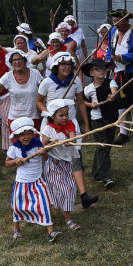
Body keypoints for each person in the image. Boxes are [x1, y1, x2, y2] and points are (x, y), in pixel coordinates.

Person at [36, 52, 98, 209]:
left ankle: (84, 195)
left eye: (69, 64)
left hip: (70, 124)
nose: (67, 67)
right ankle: (51, 193)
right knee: (51, 157)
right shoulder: (47, 82)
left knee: (75, 156)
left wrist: (87, 125)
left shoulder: (75, 80)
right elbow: (39, 102)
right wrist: (48, 113)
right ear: (56, 66)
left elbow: (81, 103)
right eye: (63, 64)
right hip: (51, 125)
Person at [5, 117, 60, 242]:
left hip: (37, 181)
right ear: (17, 136)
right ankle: (16, 230)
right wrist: (15, 161)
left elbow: (46, 158)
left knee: (44, 204)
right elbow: (7, 163)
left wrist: (43, 153)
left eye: (29, 134)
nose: (27, 137)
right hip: (21, 183)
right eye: (23, 135)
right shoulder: (14, 148)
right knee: (17, 206)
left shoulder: (37, 144)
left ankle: (51, 232)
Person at [40, 99, 83, 231]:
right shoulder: (48, 129)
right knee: (59, 189)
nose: (65, 118)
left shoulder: (70, 125)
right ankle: (67, 219)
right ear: (53, 116)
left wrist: (70, 141)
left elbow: (72, 138)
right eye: (61, 115)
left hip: (67, 163)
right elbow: (43, 148)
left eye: (66, 114)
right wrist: (52, 144)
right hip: (53, 164)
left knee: (70, 188)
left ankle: (63, 211)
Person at [107, 9, 133, 144]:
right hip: (118, 73)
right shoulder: (113, 32)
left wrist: (123, 57)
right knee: (120, 100)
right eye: (114, 21)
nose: (116, 24)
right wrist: (110, 62)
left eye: (118, 21)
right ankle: (123, 132)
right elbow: (109, 49)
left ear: (126, 21)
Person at [81, 57, 118, 187]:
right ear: (92, 73)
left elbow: (114, 92)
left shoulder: (111, 82)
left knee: (106, 147)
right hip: (97, 120)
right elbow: (82, 102)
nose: (102, 71)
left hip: (111, 118)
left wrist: (112, 96)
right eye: (98, 69)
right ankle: (106, 178)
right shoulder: (88, 89)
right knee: (102, 146)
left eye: (103, 69)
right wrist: (90, 105)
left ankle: (96, 173)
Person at [0, 49, 42, 132]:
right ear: (11, 63)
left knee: (34, 140)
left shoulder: (35, 73)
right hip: (15, 118)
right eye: (14, 60)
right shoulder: (8, 76)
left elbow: (44, 90)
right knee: (18, 140)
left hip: (33, 117)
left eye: (20, 59)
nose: (17, 62)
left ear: (25, 61)